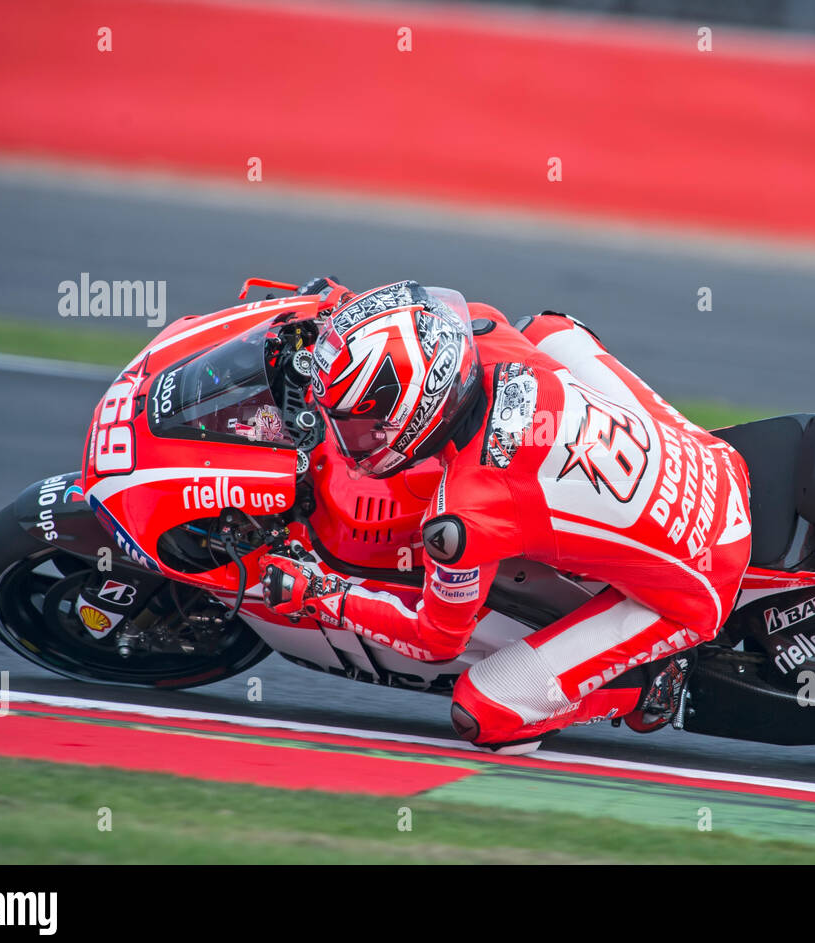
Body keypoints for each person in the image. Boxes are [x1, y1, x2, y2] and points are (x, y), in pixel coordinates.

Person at [260, 279, 752, 753]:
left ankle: (641, 686)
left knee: (482, 713)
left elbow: (434, 640)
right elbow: (416, 328)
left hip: (704, 578)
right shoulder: (481, 330)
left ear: (414, 407)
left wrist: (324, 595)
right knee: (546, 328)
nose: (352, 439)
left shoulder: (462, 516)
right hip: (715, 461)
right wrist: (343, 314)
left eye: (361, 422)